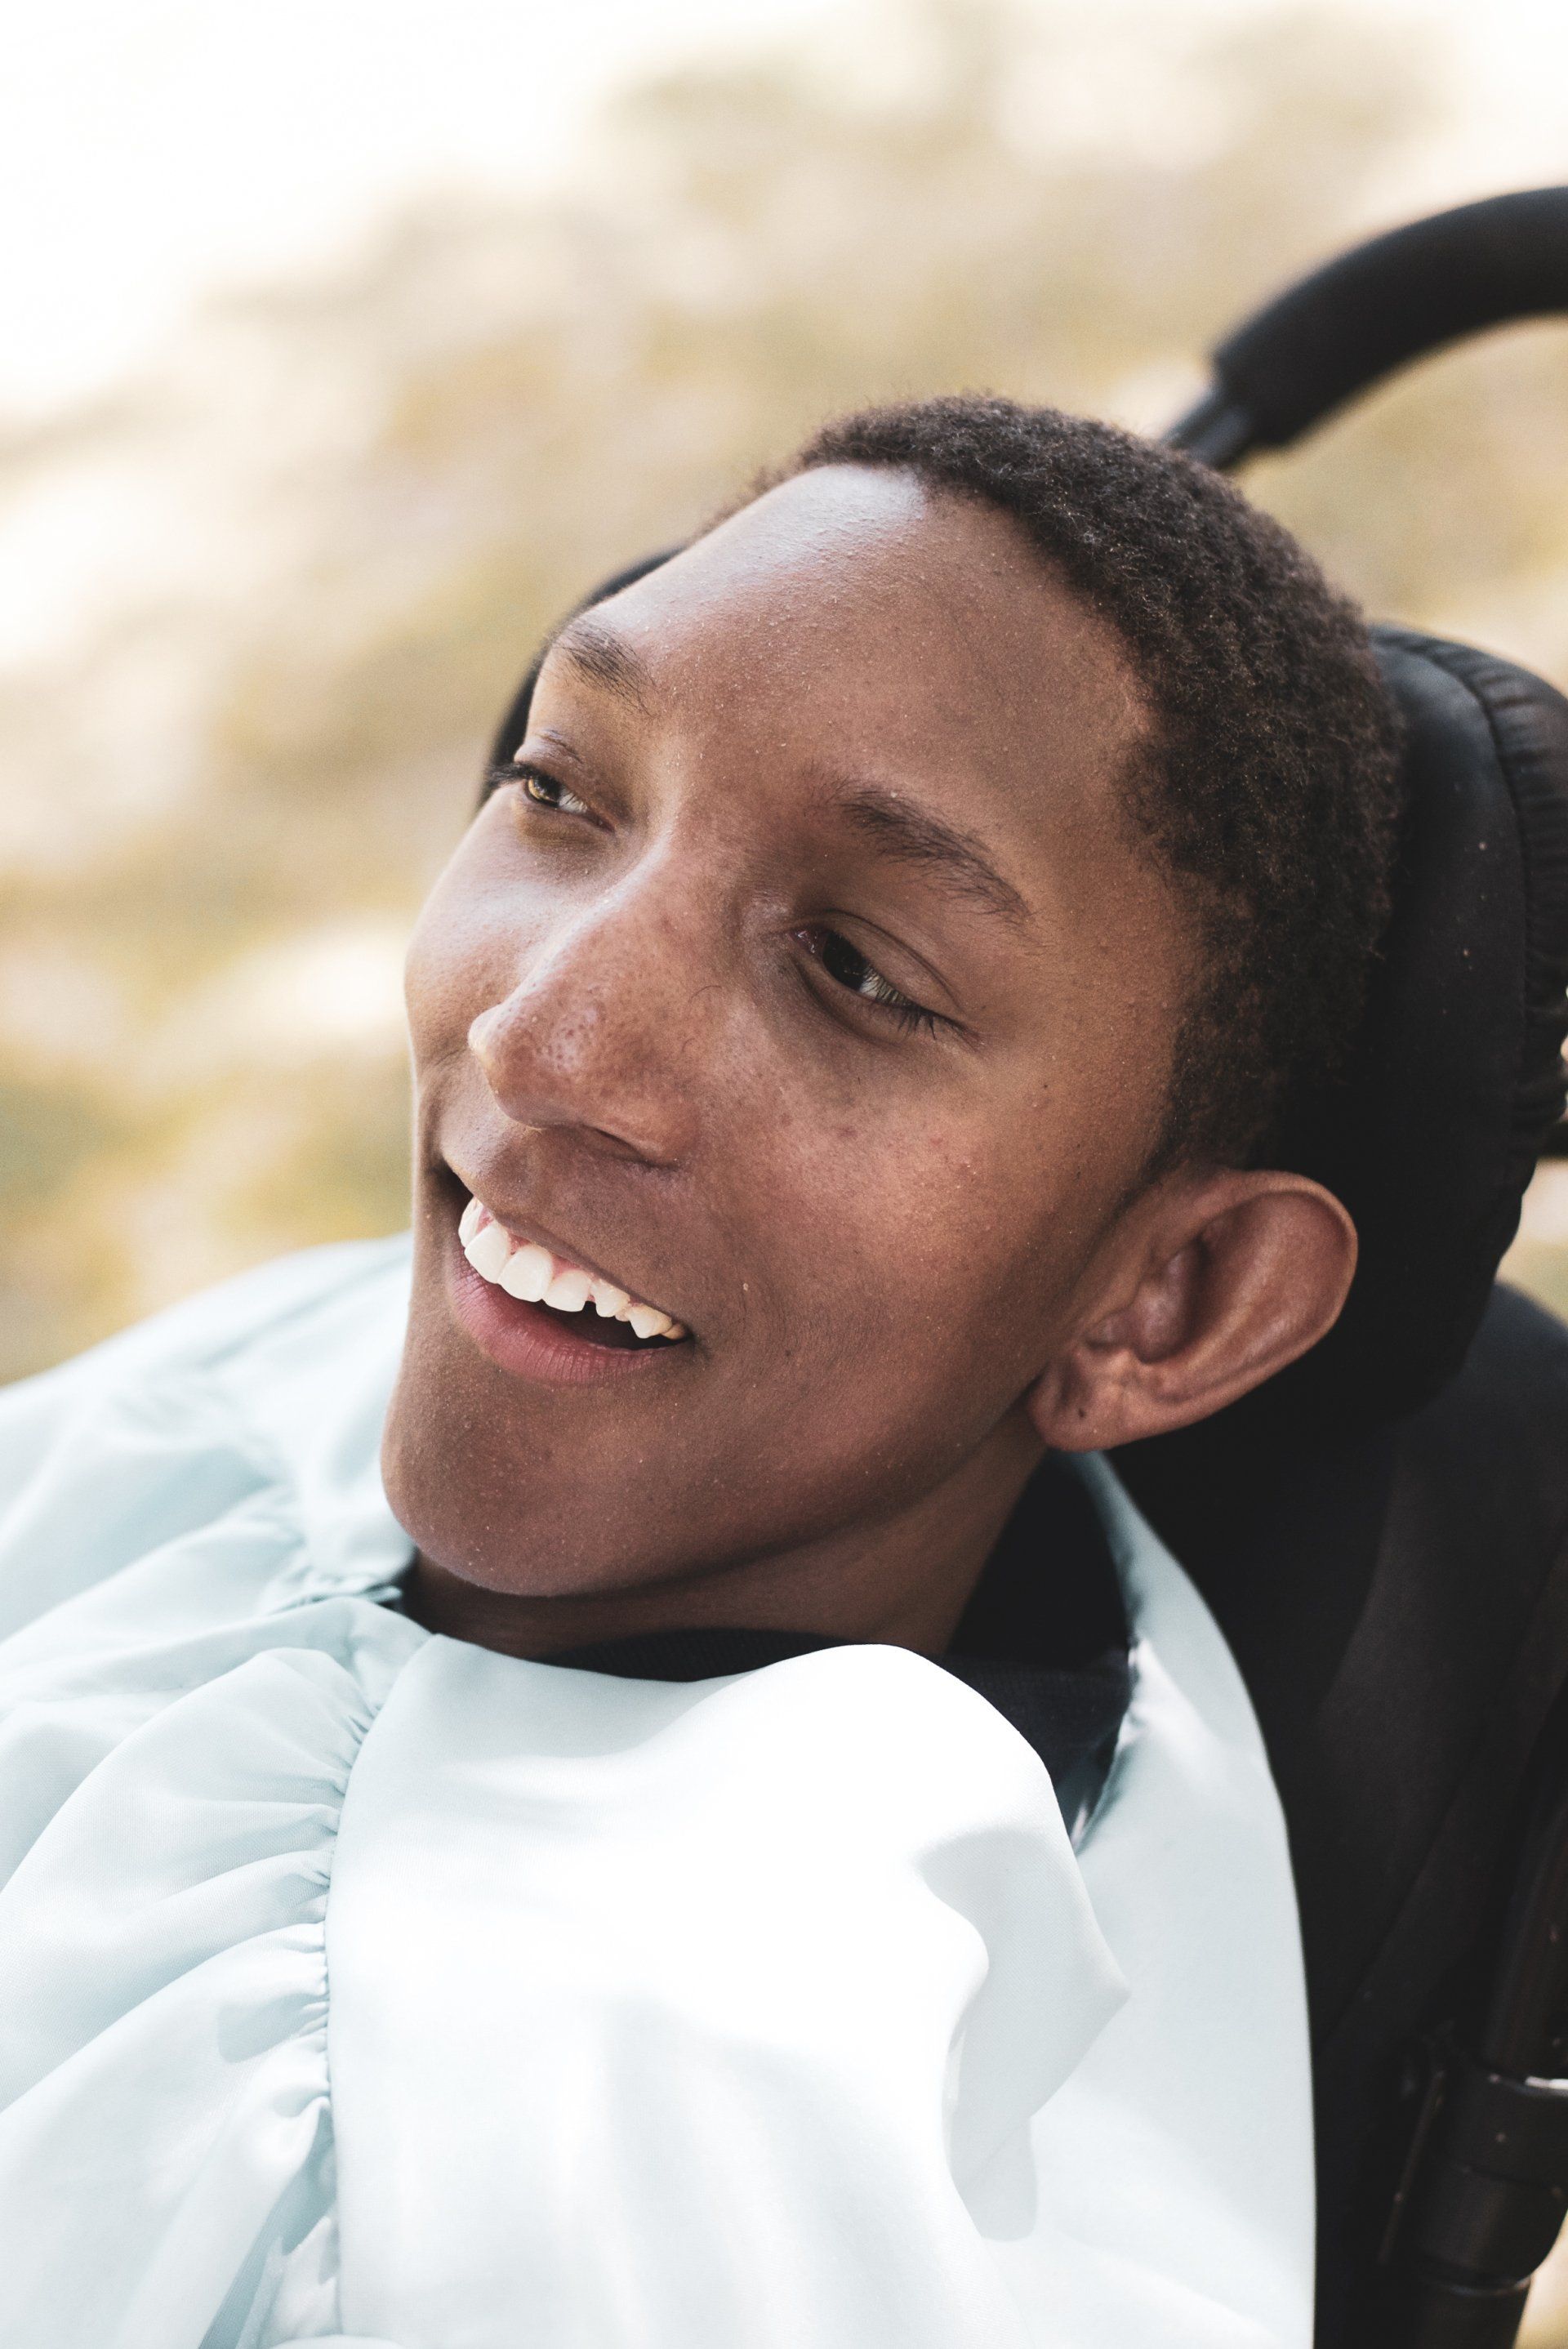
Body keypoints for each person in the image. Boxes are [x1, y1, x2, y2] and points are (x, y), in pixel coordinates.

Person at [0, 394, 1401, 2349]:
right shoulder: (306, 1360)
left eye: (854, 969)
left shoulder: (671, 2166)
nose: (544, 1033)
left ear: (1162, 1299)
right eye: (567, 788)